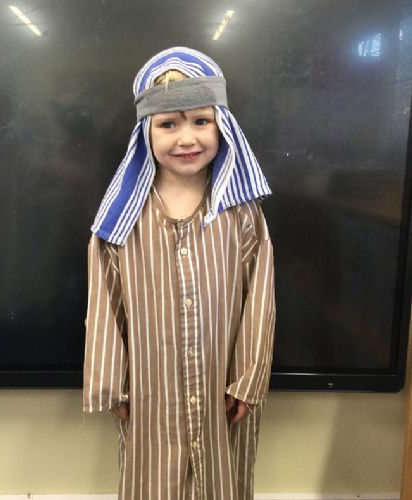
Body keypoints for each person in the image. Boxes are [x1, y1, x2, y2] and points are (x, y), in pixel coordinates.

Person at [83, 47, 275, 500]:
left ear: (221, 125)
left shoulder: (241, 213)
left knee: (224, 478)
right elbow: (104, 303)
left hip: (221, 392)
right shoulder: (120, 218)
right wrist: (115, 387)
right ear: (145, 131)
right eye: (168, 124)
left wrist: (248, 380)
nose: (186, 138)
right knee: (151, 480)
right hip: (149, 395)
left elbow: (260, 298)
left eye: (201, 121)